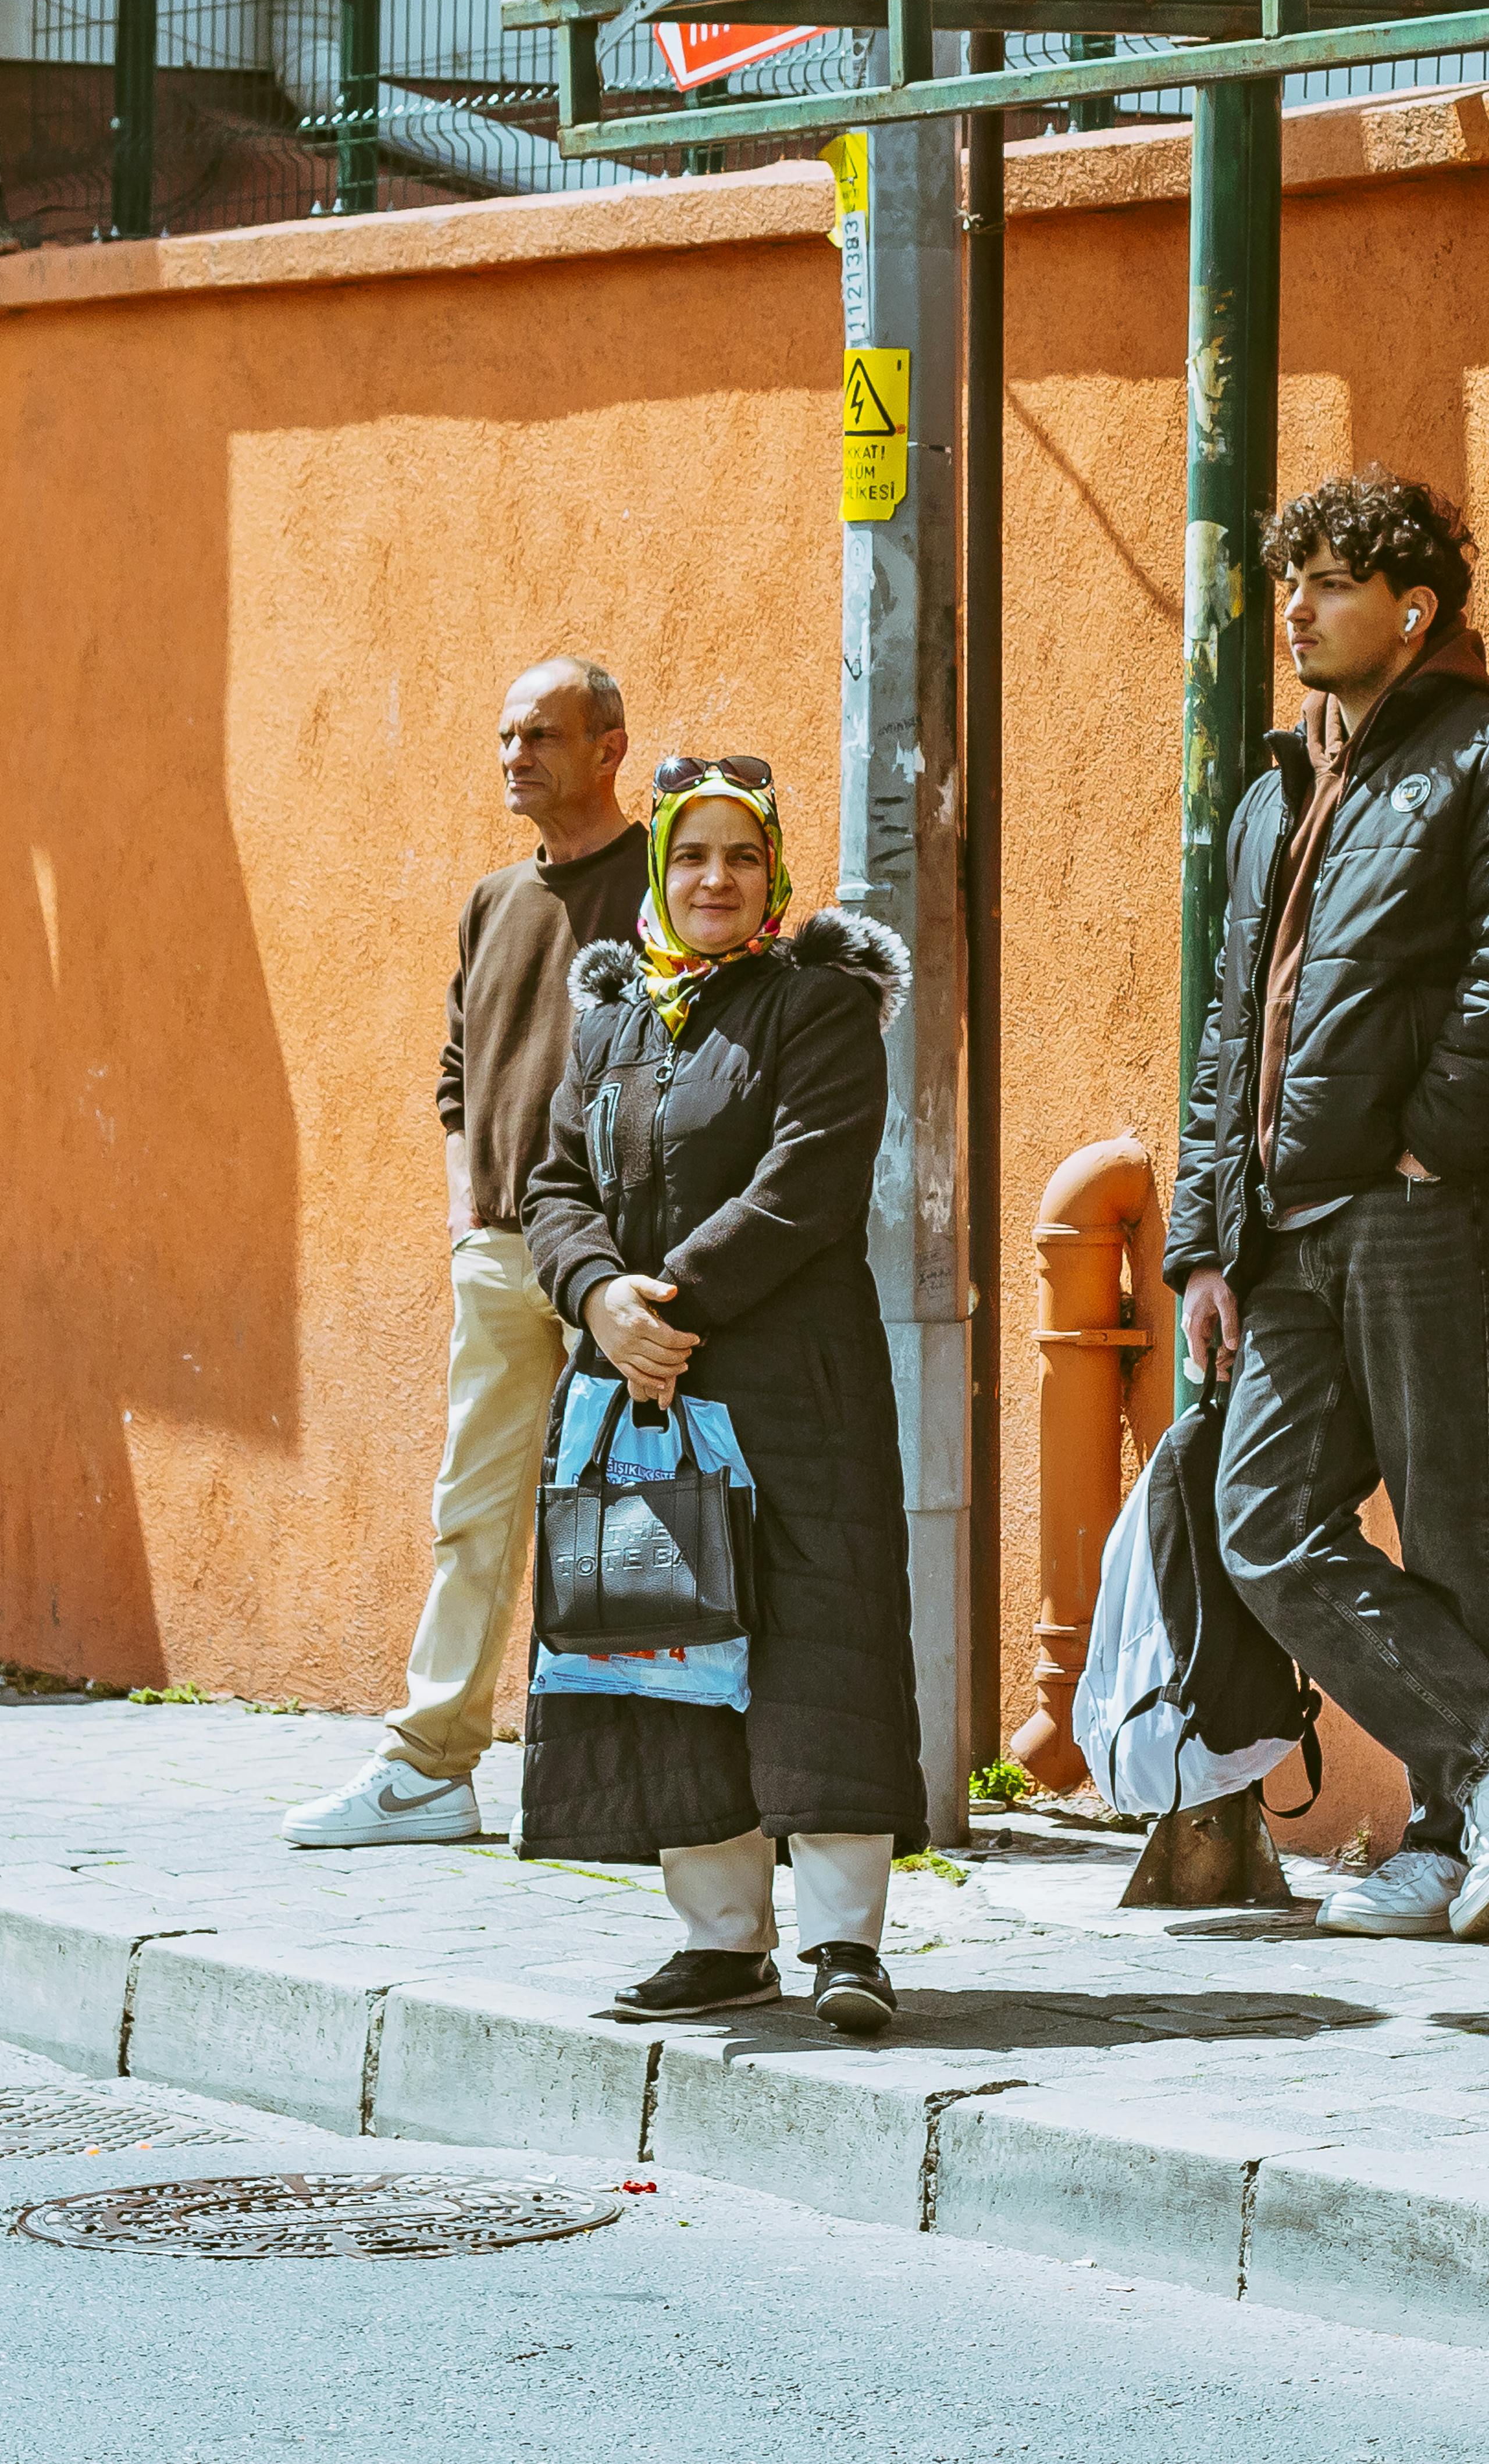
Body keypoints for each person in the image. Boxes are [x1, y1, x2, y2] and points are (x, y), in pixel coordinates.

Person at [1173, 466, 1489, 1944]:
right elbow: (1231, 1025)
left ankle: (1446, 1841)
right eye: (1289, 578)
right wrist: (1204, 1241)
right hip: (1289, 1225)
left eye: (1330, 583)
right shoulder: (1277, 788)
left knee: (1450, 1522)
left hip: (1426, 1207)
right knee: (1264, 1521)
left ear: (1411, 608)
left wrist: (1431, 1145)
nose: (1292, 606)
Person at [518, 755, 928, 2035]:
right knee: (662, 1649)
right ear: (659, 867)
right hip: (641, 1396)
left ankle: (845, 1942)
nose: (713, 878)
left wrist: (667, 1307)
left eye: (740, 856)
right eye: (691, 854)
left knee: (821, 1647)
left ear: (774, 874)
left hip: (791, 1394)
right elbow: (550, 1185)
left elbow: (806, 1183)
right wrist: (598, 1300)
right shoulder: (611, 1021)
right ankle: (719, 1941)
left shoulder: (814, 1008)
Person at [286, 657, 640, 1851]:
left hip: (617, 1257)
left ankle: (663, 1774)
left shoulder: (666, 883)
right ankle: (433, 1763)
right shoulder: (495, 900)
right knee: (474, 1510)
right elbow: (455, 1078)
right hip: (500, 1254)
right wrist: (464, 1218)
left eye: (540, 734)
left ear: (610, 747)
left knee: (649, 1508)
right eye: (502, 737)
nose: (513, 756)